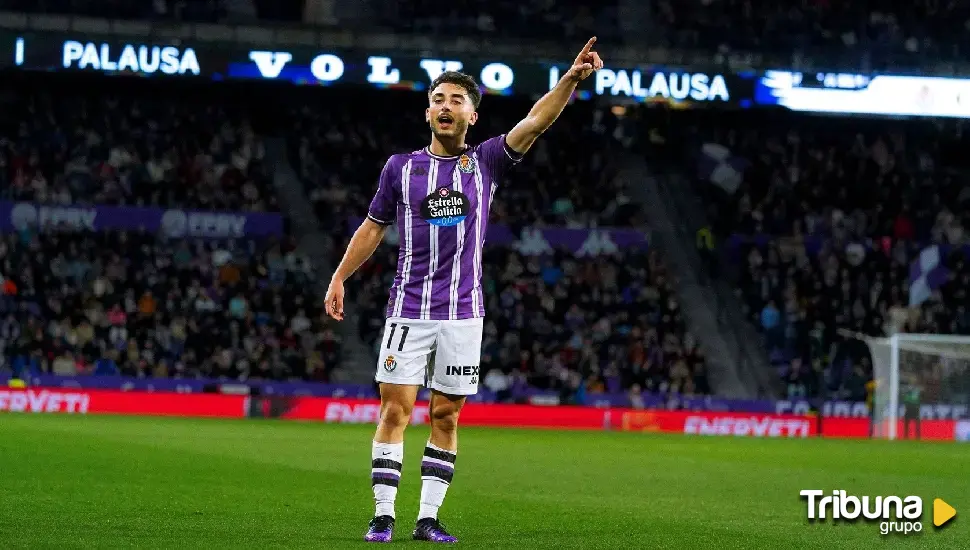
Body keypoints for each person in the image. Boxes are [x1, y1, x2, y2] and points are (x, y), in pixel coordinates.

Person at [324, 39, 605, 543]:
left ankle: (427, 518)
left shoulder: (487, 162)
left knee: (446, 414)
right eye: (438, 99)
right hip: (408, 310)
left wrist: (570, 80)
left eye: (456, 100)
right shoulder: (400, 168)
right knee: (394, 410)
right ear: (427, 110)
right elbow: (372, 227)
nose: (445, 107)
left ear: (473, 116)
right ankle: (383, 514)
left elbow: (536, 122)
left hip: (463, 313)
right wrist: (340, 276)